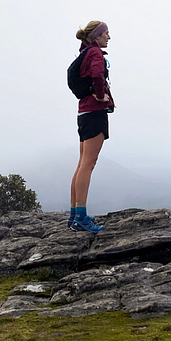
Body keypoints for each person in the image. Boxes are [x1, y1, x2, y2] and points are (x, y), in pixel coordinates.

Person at [68, 20, 113, 233]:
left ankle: (75, 215)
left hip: (83, 112)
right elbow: (96, 74)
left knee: (81, 164)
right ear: (96, 36)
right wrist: (101, 94)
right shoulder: (94, 54)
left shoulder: (85, 53)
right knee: (88, 164)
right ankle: (81, 218)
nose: (109, 37)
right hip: (95, 112)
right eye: (106, 33)